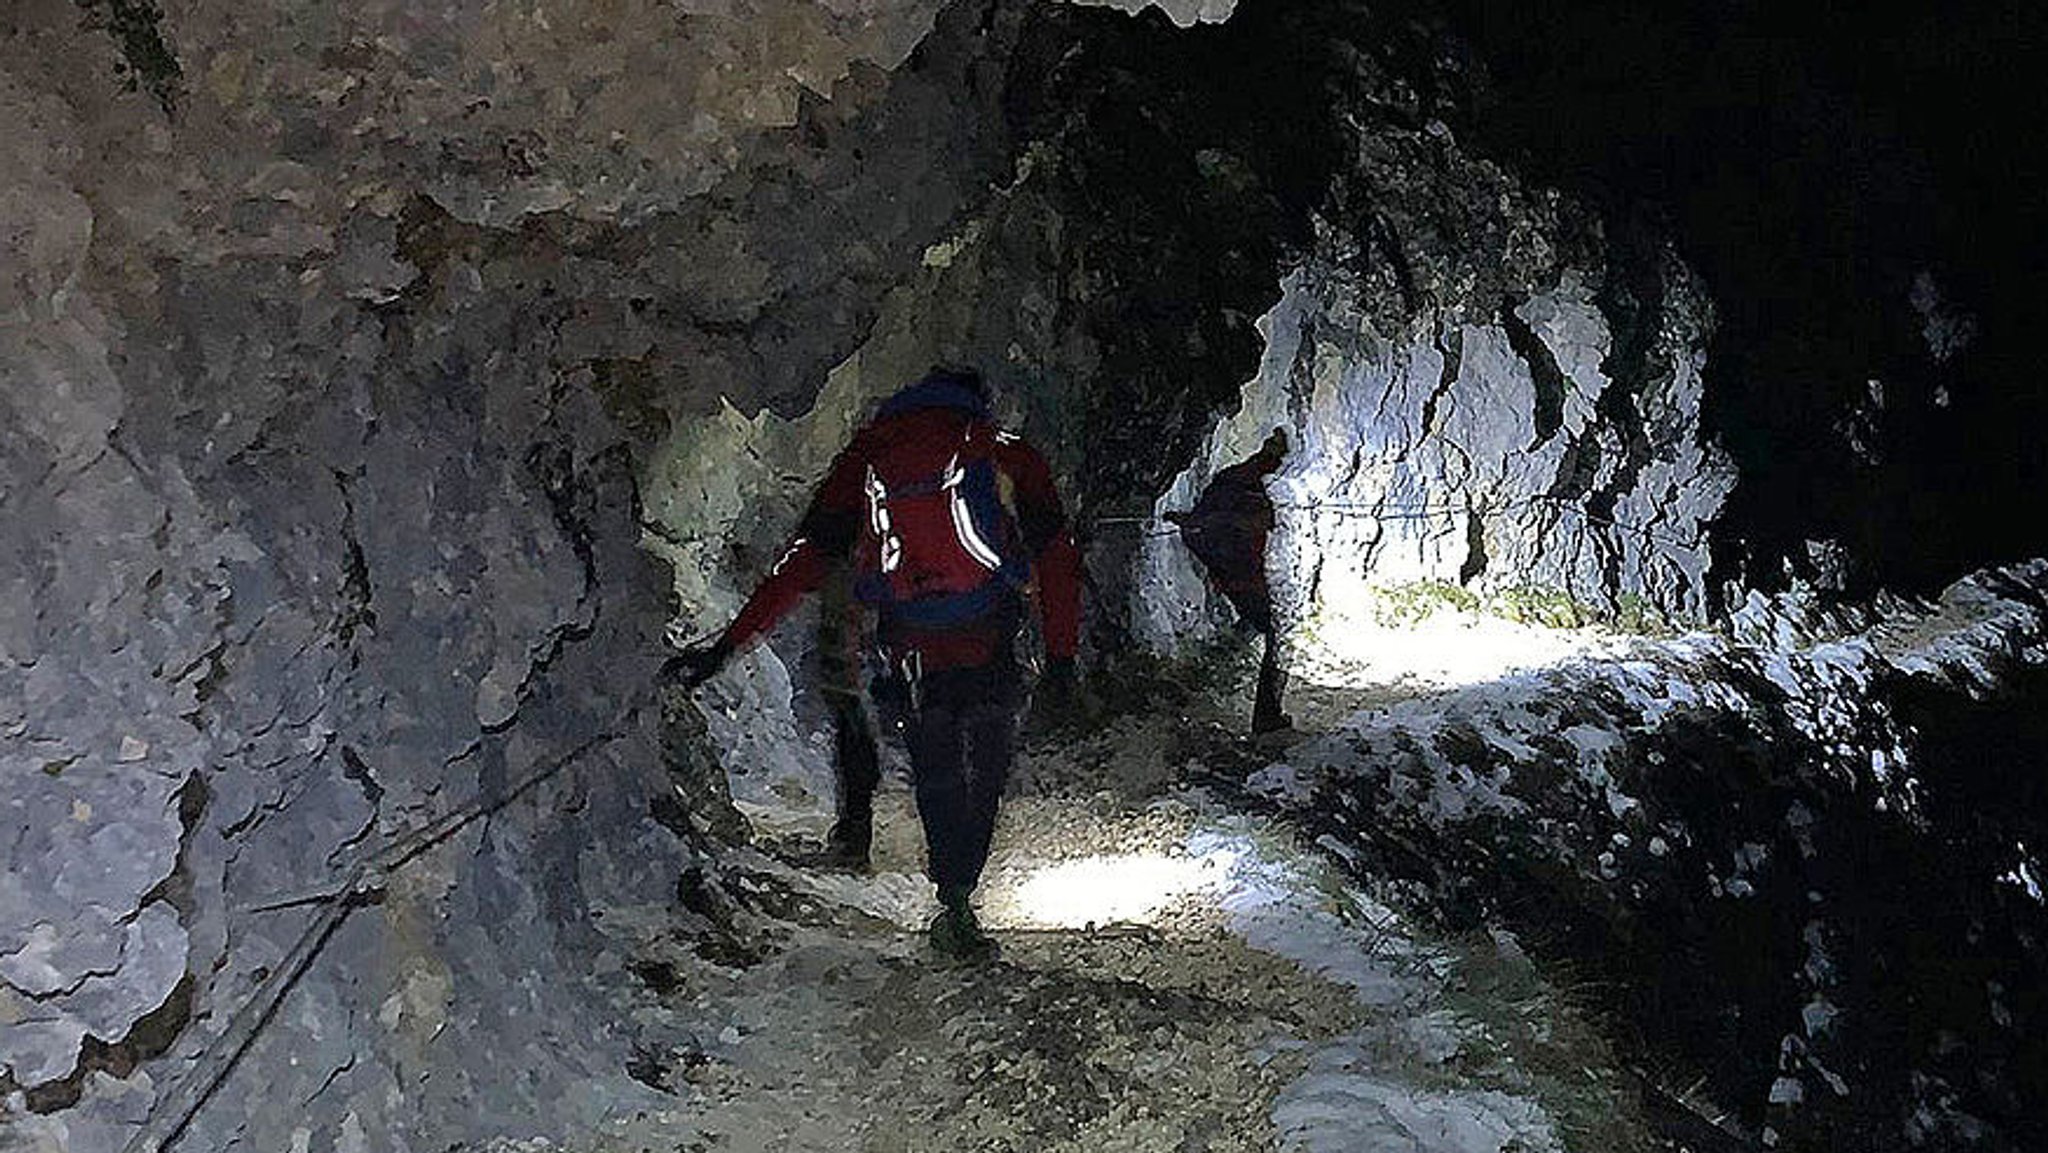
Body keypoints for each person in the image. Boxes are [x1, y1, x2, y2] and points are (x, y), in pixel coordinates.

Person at [665, 366, 1082, 960]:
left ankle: (953, 899)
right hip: (988, 630)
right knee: (986, 758)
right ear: (976, 402)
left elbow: (807, 561)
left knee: (935, 758)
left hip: (911, 642)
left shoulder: (868, 459)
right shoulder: (999, 451)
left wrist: (727, 647)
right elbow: (1056, 553)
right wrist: (1062, 656)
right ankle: (965, 886)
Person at [1164, 428, 1290, 735]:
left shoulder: (1232, 478)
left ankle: (1221, 662)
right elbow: (1244, 522)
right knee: (1278, 636)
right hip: (1243, 576)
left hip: (1231, 575)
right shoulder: (1251, 486)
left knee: (1256, 622)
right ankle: (1267, 717)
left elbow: (1204, 520)